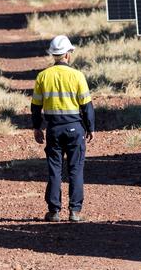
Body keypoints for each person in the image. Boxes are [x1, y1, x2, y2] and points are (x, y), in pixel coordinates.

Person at [31, 35, 95, 222]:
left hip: (53, 129)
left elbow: (35, 106)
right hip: (75, 128)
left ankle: (54, 211)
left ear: (54, 55)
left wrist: (37, 127)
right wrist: (90, 128)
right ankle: (75, 211)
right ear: (67, 54)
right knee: (75, 169)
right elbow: (87, 106)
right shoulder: (77, 76)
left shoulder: (43, 76)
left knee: (54, 169)